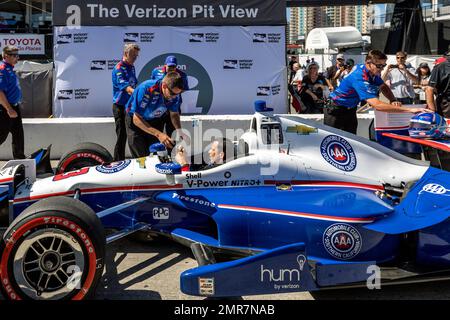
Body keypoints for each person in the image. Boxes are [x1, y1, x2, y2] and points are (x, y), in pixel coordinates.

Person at [325, 50, 426, 134]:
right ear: (368, 63)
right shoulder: (359, 77)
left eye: (383, 65)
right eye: (379, 66)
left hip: (349, 110)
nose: (381, 69)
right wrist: (410, 110)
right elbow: (377, 105)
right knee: (333, 144)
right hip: (335, 110)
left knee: (351, 141)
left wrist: (392, 99)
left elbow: (383, 86)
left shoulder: (371, 72)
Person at [125, 72, 185, 158]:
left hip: (155, 120)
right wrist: (159, 134)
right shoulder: (146, 88)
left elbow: (174, 114)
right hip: (135, 121)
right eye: (172, 94)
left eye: (178, 94)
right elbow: (136, 119)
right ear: (164, 86)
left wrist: (179, 131)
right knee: (141, 158)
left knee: (157, 155)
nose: (175, 97)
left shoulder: (175, 94)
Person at [111, 43, 140, 161]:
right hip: (120, 107)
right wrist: (138, 93)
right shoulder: (119, 68)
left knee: (133, 135)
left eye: (136, 56)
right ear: (125, 54)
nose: (134, 58)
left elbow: (134, 83)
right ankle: (118, 161)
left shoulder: (131, 66)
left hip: (130, 106)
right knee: (121, 136)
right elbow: (126, 87)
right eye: (133, 55)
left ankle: (138, 160)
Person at [151, 55, 189, 140]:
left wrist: (172, 94)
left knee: (172, 131)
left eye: (174, 66)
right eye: (170, 66)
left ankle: (170, 152)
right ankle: (157, 151)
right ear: (165, 65)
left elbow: (184, 88)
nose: (171, 68)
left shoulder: (182, 75)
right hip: (158, 105)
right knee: (157, 129)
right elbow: (153, 84)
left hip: (173, 104)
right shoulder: (156, 71)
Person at [0, 46, 25, 159]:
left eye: (18, 55)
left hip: (14, 107)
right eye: (14, 55)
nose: (17, 58)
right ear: (6, 56)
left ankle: (20, 159)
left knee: (18, 134)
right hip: (5, 109)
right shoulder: (2, 69)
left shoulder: (10, 68)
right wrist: (9, 109)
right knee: (1, 136)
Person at [426, 52, 450, 118]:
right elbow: (429, 89)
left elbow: (429, 89)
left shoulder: (440, 67)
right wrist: (432, 111)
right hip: (446, 106)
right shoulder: (440, 67)